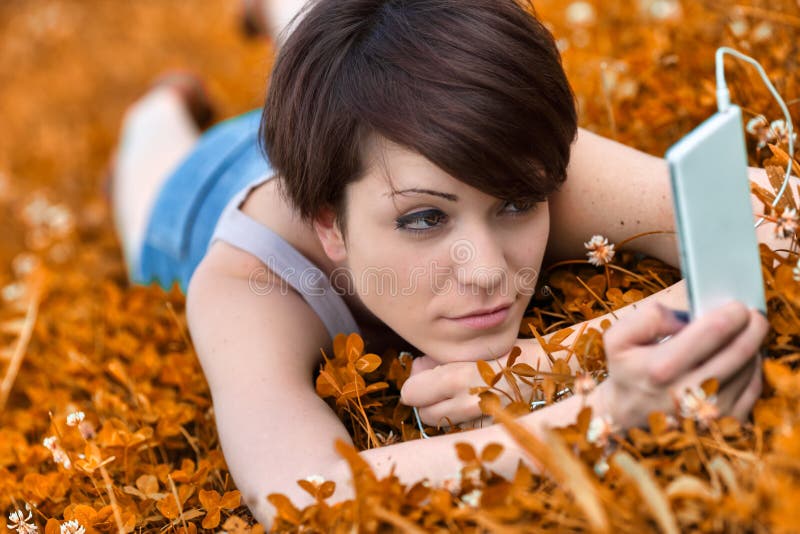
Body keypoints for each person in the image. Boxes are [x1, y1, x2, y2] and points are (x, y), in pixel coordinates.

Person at [110, 0, 775, 526]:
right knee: (151, 155)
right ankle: (161, 105)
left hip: (370, 130)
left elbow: (782, 222)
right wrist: (601, 415)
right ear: (326, 225)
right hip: (196, 194)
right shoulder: (246, 283)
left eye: (517, 204)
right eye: (424, 219)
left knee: (359, 45)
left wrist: (548, 363)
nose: (486, 271)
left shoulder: (496, 147)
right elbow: (307, 496)